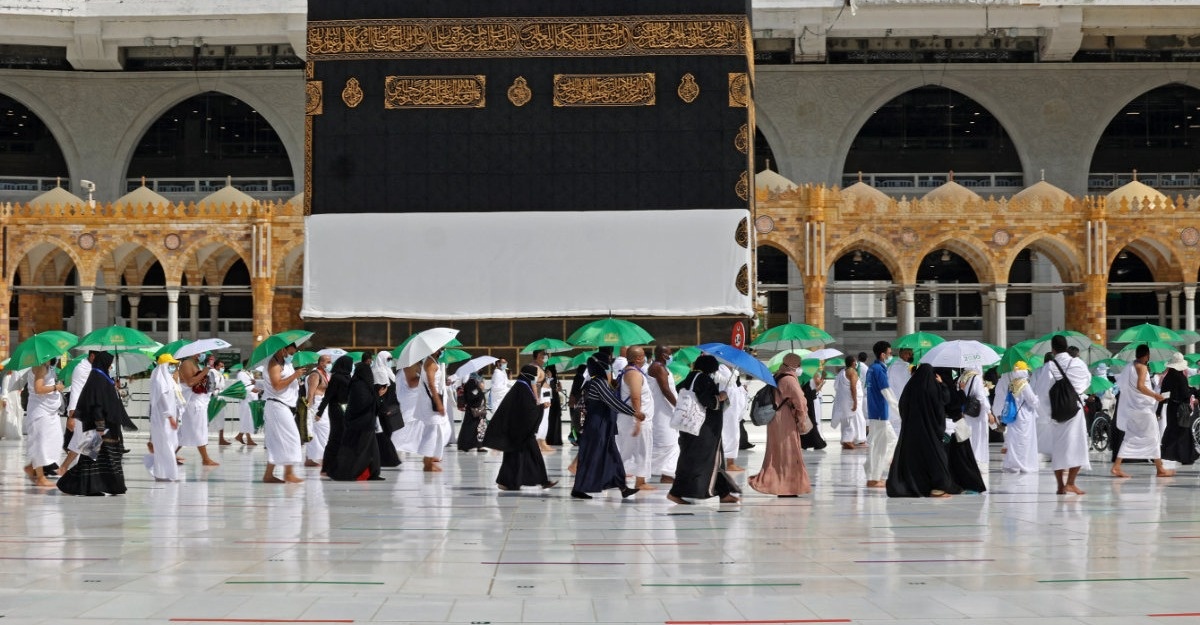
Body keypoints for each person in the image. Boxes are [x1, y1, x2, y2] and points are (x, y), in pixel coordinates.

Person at [668, 355, 741, 505]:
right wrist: (720, 397)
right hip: (704, 430)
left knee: (699, 459)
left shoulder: (692, 376)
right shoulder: (703, 379)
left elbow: (679, 388)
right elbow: (708, 401)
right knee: (706, 460)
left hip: (691, 428)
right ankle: (676, 492)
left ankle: (723, 493)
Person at [57, 351, 127, 496]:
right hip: (98, 426)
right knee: (90, 458)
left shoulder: (103, 377)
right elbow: (97, 404)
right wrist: (100, 425)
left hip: (106, 426)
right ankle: (73, 485)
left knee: (98, 458)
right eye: (110, 363)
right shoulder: (97, 378)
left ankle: (108, 487)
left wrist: (114, 386)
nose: (111, 366)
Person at [886, 364, 961, 498]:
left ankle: (913, 484)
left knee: (913, 459)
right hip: (930, 431)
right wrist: (942, 384)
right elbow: (944, 400)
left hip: (911, 431)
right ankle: (938, 488)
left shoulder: (910, 387)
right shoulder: (933, 387)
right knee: (936, 458)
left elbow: (902, 405)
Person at [571, 353, 639, 500]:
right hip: (597, 427)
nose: (610, 367)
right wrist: (634, 412)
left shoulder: (598, 382)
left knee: (612, 456)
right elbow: (612, 403)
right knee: (592, 457)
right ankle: (579, 488)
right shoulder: (599, 383)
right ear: (601, 367)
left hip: (604, 426)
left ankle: (622, 487)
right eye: (607, 365)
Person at [484, 364, 557, 491]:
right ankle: (508, 482)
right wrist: (541, 407)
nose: (535, 378)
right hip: (520, 433)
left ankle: (540, 481)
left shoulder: (522, 387)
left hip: (521, 432)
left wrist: (538, 406)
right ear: (529, 376)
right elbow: (527, 411)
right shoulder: (522, 389)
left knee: (526, 457)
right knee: (520, 458)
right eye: (534, 376)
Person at [748, 352, 812, 496]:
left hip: (775, 421)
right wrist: (802, 419)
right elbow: (800, 402)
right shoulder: (789, 380)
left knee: (776, 452)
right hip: (786, 420)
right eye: (799, 365)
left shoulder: (777, 376)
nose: (800, 368)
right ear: (794, 365)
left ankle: (778, 484)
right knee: (789, 452)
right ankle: (788, 487)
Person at [1112, 344, 1174, 478]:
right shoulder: (1142, 367)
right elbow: (1140, 386)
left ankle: (1117, 466)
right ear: (1146, 355)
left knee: (1129, 436)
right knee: (1154, 436)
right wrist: (1155, 395)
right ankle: (1160, 469)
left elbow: (1123, 385)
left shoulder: (1130, 366)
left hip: (1133, 407)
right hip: (1143, 408)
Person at [325, 355, 384, 481]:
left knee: (372, 451)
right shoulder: (359, 386)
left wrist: (376, 395)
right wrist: (376, 396)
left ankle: (373, 472)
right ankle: (349, 472)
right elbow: (362, 403)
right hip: (361, 424)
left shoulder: (362, 385)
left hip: (366, 423)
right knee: (361, 451)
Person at [1046, 334, 1091, 494]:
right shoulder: (1078, 363)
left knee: (1058, 448)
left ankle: (1060, 485)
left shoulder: (1049, 366)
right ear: (1066, 346)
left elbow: (1044, 390)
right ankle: (1071, 482)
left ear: (1052, 349)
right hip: (1075, 409)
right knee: (1078, 446)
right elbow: (1087, 381)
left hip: (1057, 412)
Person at [393, 348, 450, 472]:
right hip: (428, 403)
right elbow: (430, 384)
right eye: (441, 348)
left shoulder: (431, 362)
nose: (442, 350)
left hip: (428, 402)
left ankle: (430, 459)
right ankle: (427, 462)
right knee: (432, 431)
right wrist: (438, 402)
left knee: (434, 431)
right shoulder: (429, 363)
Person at [261, 343, 309, 484]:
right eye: (291, 352)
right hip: (277, 405)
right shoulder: (274, 364)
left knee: (275, 441)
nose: (292, 355)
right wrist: (295, 375)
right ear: (283, 350)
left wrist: (296, 380)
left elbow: (286, 382)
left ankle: (268, 475)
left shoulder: (285, 363)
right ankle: (288, 473)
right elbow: (277, 385)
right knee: (293, 438)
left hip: (285, 405)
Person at [937, 367, 987, 493]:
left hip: (943, 425)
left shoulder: (937, 384)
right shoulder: (948, 384)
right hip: (954, 425)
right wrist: (962, 390)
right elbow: (955, 402)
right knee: (961, 458)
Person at [616, 346, 655, 491]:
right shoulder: (634, 374)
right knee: (640, 450)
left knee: (629, 450)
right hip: (635, 419)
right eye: (643, 355)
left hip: (632, 418)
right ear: (638, 358)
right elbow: (635, 397)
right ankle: (640, 481)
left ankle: (617, 477)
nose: (645, 358)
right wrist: (638, 420)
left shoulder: (630, 371)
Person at [23, 357, 64, 487]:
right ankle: (40, 477)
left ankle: (31, 467)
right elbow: (38, 389)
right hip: (40, 411)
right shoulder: (40, 367)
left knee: (52, 440)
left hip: (48, 411)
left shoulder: (47, 367)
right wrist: (55, 387)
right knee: (40, 443)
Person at [863, 341, 900, 488]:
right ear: (883, 354)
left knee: (888, 442)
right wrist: (900, 411)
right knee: (880, 446)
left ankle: (874, 474)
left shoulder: (872, 368)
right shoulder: (879, 369)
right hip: (880, 414)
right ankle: (873, 477)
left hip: (876, 413)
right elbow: (887, 392)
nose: (891, 356)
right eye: (890, 353)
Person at [992, 362, 1040, 474]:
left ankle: (1012, 464)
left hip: (1014, 417)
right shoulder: (1024, 384)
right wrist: (1037, 399)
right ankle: (1023, 464)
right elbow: (1032, 400)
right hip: (1025, 417)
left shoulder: (1012, 383)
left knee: (1014, 441)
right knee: (1024, 442)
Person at [144, 353, 183, 482]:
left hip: (167, 418)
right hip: (163, 419)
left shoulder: (167, 379)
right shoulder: (160, 380)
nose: (173, 367)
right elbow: (164, 400)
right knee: (166, 445)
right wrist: (170, 417)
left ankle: (163, 473)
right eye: (171, 364)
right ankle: (168, 473)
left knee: (167, 445)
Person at [59, 350, 97, 476]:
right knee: (82, 442)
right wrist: (71, 415)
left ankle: (82, 470)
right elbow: (75, 391)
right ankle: (67, 468)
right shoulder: (82, 368)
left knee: (89, 443)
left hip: (92, 411)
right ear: (92, 356)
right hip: (81, 411)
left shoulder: (94, 368)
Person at [178, 353, 219, 467]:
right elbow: (190, 382)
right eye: (201, 353)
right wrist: (204, 372)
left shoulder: (196, 364)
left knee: (185, 433)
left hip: (199, 402)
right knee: (198, 430)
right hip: (192, 403)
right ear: (195, 353)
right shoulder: (187, 363)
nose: (203, 355)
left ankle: (171, 454)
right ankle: (205, 459)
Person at [647, 345, 680, 483]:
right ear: (662, 355)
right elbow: (665, 390)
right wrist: (678, 406)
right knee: (668, 443)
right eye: (669, 353)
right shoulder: (658, 367)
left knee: (671, 442)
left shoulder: (662, 367)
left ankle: (664, 473)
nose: (671, 356)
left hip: (666, 411)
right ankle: (666, 474)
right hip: (662, 412)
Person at [1159, 353, 1198, 466]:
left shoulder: (1167, 378)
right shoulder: (1181, 378)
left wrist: (1158, 410)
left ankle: (1166, 453)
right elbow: (1185, 395)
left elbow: (1164, 395)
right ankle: (1186, 457)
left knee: (1172, 430)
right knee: (1183, 432)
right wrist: (1193, 391)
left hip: (1171, 408)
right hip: (1181, 409)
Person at [319, 356, 352, 476]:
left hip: (345, 409)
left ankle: (338, 465)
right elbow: (328, 396)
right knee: (335, 437)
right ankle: (326, 467)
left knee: (342, 437)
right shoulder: (337, 378)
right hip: (335, 409)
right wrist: (319, 412)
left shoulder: (348, 377)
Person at [958, 364, 993, 470]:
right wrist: (989, 411)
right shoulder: (976, 377)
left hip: (967, 411)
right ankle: (977, 460)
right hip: (978, 412)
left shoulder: (963, 376)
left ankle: (968, 459)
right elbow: (980, 396)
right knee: (979, 436)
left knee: (969, 435)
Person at [304, 354, 332, 467]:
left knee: (316, 432)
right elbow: (310, 393)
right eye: (328, 362)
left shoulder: (324, 374)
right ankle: (324, 459)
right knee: (323, 432)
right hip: (316, 406)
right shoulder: (315, 375)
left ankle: (309, 459)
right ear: (321, 363)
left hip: (322, 405)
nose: (330, 364)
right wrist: (308, 409)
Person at [832, 355, 864, 450]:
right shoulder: (852, 372)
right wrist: (855, 401)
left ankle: (855, 439)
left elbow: (836, 386)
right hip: (850, 400)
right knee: (855, 420)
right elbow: (853, 387)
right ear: (853, 363)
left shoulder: (842, 372)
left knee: (848, 420)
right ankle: (848, 440)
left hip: (843, 400)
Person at [457, 372, 488, 452]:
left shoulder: (475, 382)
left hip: (478, 410)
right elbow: (472, 395)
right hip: (473, 411)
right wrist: (480, 389)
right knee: (470, 428)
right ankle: (465, 445)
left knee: (480, 428)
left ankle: (479, 445)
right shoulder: (471, 382)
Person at [887, 347, 914, 434]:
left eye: (911, 354)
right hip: (901, 400)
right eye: (908, 353)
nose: (909, 356)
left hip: (894, 400)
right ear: (901, 353)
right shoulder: (908, 367)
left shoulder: (891, 367)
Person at [800, 366, 828, 450]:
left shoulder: (801, 379)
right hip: (810, 402)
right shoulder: (812, 375)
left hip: (805, 402)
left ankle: (805, 443)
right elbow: (815, 389)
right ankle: (817, 442)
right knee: (812, 421)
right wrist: (822, 382)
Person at [209, 359, 233, 446]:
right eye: (221, 366)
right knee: (209, 417)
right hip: (213, 396)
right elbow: (210, 384)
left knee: (221, 418)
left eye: (223, 366)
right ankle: (203, 438)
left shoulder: (221, 375)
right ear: (216, 366)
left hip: (220, 396)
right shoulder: (212, 372)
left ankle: (221, 438)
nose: (223, 367)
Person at [234, 364, 259, 446]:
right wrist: (252, 389)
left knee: (248, 418)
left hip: (252, 398)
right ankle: (248, 439)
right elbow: (241, 386)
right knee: (246, 418)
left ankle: (240, 436)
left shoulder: (250, 373)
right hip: (246, 399)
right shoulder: (241, 374)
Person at [544, 364, 564, 447]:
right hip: (549, 401)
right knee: (548, 420)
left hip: (555, 401)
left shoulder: (556, 379)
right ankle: (548, 439)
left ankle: (556, 439)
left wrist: (559, 387)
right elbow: (545, 390)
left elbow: (559, 390)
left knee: (556, 420)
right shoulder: (545, 380)